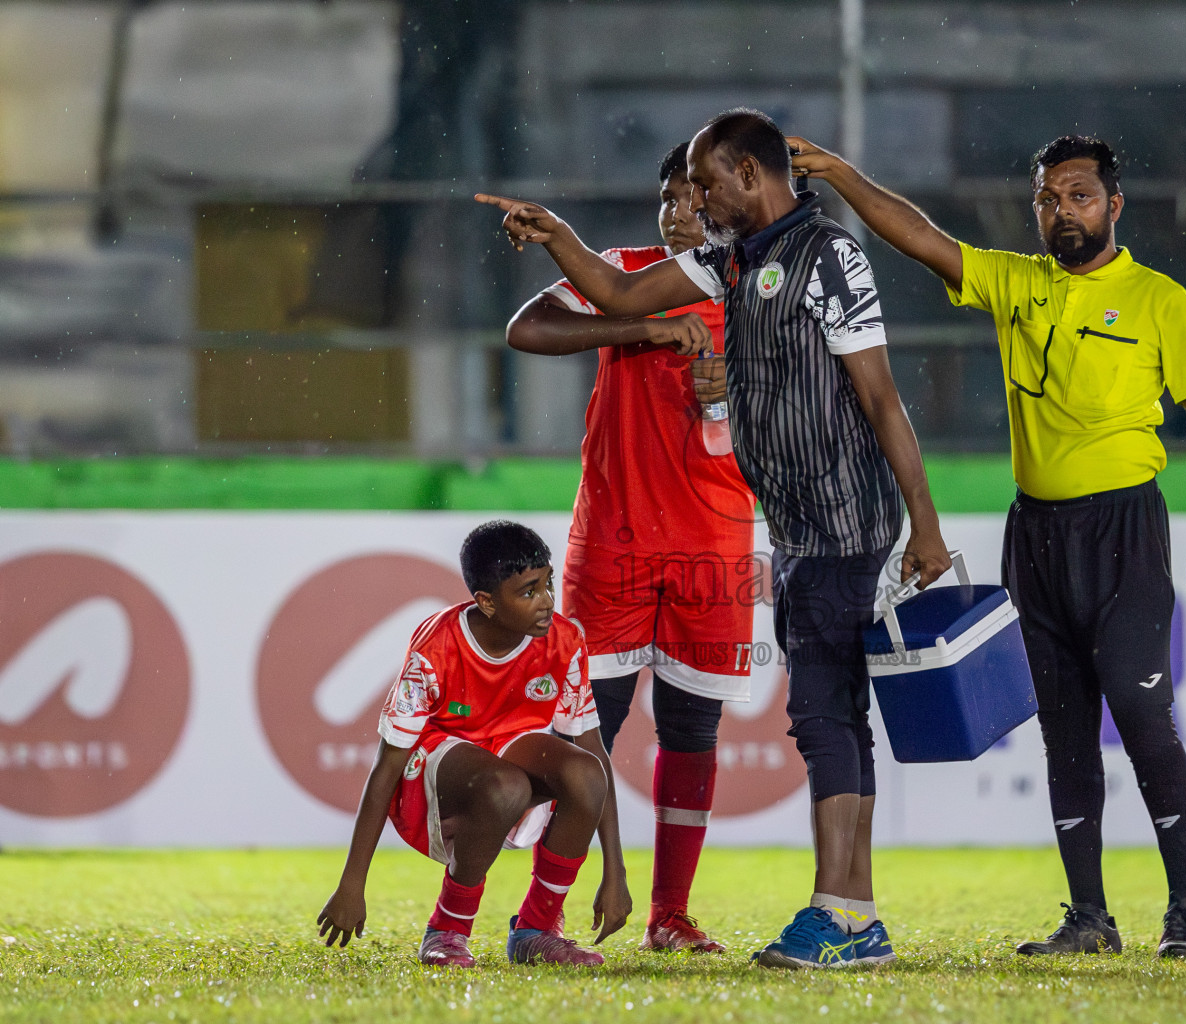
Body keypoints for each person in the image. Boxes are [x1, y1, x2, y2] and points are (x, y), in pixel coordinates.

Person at [475, 107, 952, 970]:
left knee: (824, 714)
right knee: (823, 716)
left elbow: (883, 399)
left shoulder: (827, 255)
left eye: (703, 184)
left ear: (747, 175)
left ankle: (842, 915)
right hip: (797, 528)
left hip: (844, 518)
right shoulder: (733, 259)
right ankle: (851, 914)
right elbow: (619, 294)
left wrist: (925, 524)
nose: (691, 202)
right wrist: (560, 236)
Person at [788, 133, 1186, 958]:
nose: (1060, 211)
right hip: (1032, 533)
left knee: (1140, 713)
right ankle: (1089, 919)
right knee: (1061, 726)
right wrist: (846, 176)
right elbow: (919, 237)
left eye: (1077, 196)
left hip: (1124, 531)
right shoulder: (1015, 283)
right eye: (1046, 198)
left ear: (1112, 205)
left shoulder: (1158, 299)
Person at [501, 141, 758, 954]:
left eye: (695, 197)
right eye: (669, 197)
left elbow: (809, 398)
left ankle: (670, 917)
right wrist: (640, 327)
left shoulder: (759, 286)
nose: (680, 211)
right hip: (611, 543)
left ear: (725, 203)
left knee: (691, 733)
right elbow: (527, 327)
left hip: (714, 546)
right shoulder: (625, 269)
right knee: (585, 734)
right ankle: (537, 919)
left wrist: (739, 384)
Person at [316, 520, 628, 968]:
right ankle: (447, 930)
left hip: (509, 755)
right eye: (528, 592)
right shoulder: (437, 645)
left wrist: (614, 870)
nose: (546, 602)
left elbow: (595, 753)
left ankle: (536, 929)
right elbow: (386, 767)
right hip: (433, 774)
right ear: (485, 602)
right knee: (506, 786)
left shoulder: (564, 639)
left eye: (548, 584)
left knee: (583, 772)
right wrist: (351, 885)